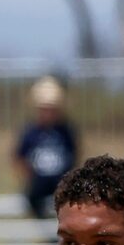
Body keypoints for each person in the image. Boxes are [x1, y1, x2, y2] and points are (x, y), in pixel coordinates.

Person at [13, 77, 79, 220]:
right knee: (34, 197)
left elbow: (74, 154)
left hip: (61, 181)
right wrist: (28, 176)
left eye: (52, 109)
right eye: (45, 108)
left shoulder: (66, 131)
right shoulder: (31, 131)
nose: (48, 113)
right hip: (38, 182)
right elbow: (19, 156)